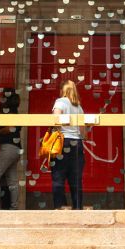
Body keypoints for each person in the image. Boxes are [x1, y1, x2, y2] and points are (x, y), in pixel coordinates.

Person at [49, 79, 87, 210]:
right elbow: (83, 132)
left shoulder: (60, 102)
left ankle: (60, 208)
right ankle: (77, 208)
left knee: (58, 178)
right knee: (76, 180)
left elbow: (56, 120)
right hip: (77, 144)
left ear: (63, 90)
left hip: (62, 142)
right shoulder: (79, 107)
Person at [0, 88, 23, 210]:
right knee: (12, 180)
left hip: (8, 147)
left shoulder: (8, 111)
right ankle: (14, 208)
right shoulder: (16, 112)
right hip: (16, 149)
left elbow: (9, 128)